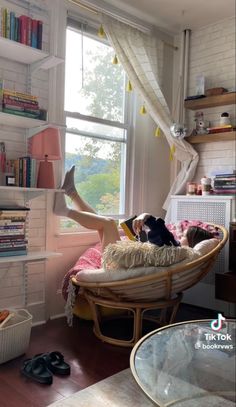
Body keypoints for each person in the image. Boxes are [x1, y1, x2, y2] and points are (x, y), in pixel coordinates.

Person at [54, 166, 214, 252]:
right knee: (105, 222)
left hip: (119, 263)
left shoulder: (176, 249)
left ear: (193, 242)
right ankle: (71, 192)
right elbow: (157, 235)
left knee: (108, 223)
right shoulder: (174, 248)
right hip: (128, 254)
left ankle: (64, 210)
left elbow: (160, 229)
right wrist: (142, 226)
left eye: (185, 235)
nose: (181, 235)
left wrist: (146, 218)